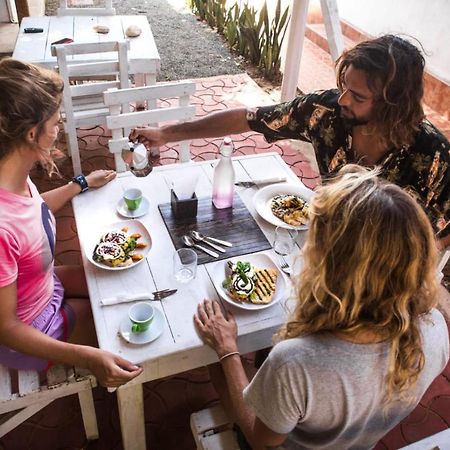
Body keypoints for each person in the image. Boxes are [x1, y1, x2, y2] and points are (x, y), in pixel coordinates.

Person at [194, 165, 449, 450]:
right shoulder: (437, 328)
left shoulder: (295, 362)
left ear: (335, 268)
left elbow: (260, 439)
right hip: (358, 441)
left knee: (215, 363)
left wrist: (227, 350)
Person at [131, 34, 450, 249]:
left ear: (393, 103)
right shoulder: (324, 114)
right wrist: (167, 134)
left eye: (358, 96)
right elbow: (249, 118)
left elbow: (441, 232)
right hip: (322, 242)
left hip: (384, 273)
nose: (342, 100)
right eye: (344, 87)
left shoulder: (431, 152)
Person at [0, 58, 142, 387]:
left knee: (121, 282)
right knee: (123, 324)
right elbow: (6, 327)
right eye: (55, 121)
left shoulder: (11, 174)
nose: (59, 126)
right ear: (32, 133)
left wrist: (80, 184)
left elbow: (32, 210)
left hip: (42, 285)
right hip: (27, 331)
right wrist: (85, 356)